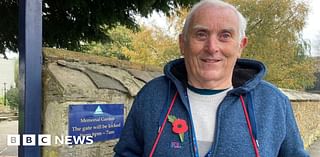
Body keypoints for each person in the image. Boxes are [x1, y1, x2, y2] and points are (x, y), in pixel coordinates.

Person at [114, 0, 310, 156]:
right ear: (183, 43)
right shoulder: (152, 96)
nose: (212, 47)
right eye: (201, 34)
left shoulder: (273, 103)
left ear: (241, 45)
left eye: (225, 35)